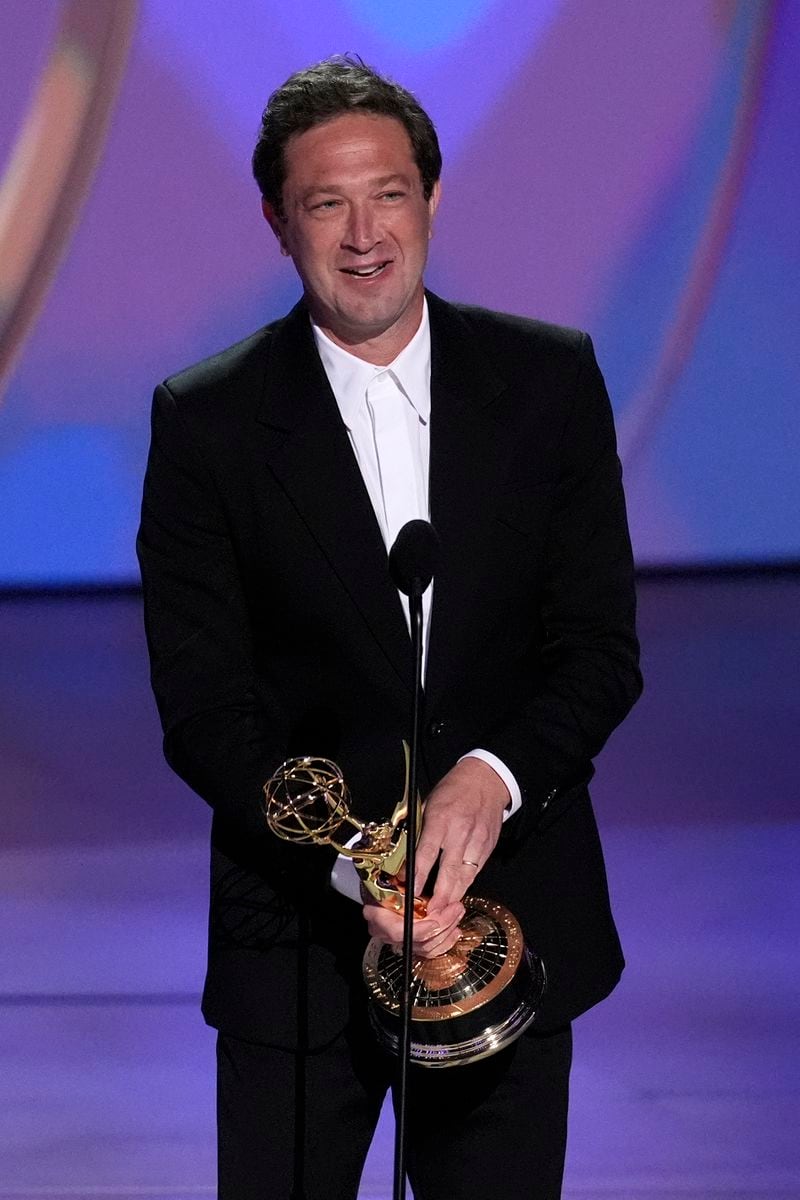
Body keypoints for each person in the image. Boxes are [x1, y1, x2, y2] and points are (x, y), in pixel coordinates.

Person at [137, 55, 642, 1200]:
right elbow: (206, 710)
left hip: (505, 928)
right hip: (300, 960)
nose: (364, 234)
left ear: (431, 197)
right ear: (277, 219)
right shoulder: (207, 424)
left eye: (389, 193)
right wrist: (355, 866)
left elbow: (596, 649)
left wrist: (490, 778)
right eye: (326, 203)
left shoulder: (545, 384)